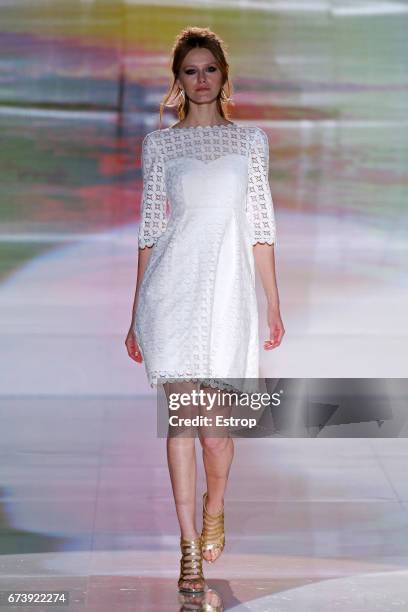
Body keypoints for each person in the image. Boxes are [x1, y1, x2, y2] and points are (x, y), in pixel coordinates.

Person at [125, 26, 285, 594]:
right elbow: (149, 231)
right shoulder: (160, 146)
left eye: (209, 69)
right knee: (180, 424)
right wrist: (134, 310)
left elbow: (261, 227)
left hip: (229, 294)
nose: (200, 80)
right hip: (172, 289)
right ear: (178, 80)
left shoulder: (250, 143)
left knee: (215, 433)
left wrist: (273, 303)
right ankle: (189, 545)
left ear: (223, 76)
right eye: (190, 71)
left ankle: (216, 506)